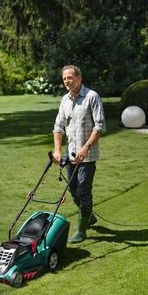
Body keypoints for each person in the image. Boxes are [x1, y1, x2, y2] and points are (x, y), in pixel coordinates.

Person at [52, 65, 106, 243]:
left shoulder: (92, 97)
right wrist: (58, 150)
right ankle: (88, 216)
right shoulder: (65, 100)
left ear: (79, 78)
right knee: (73, 190)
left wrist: (86, 147)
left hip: (87, 156)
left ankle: (81, 230)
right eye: (64, 78)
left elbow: (99, 126)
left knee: (83, 190)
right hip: (71, 154)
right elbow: (58, 127)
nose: (67, 81)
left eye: (70, 77)